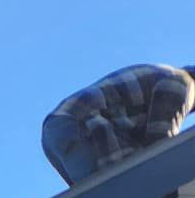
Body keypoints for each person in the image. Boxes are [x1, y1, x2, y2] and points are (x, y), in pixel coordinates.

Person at [42, 63, 195, 186]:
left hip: (55, 129)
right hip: (84, 123)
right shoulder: (183, 83)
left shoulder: (165, 73)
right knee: (127, 189)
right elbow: (160, 146)